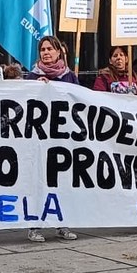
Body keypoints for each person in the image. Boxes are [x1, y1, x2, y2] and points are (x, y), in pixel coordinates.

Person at [25, 35, 80, 242]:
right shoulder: (31, 76)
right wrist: (35, 88)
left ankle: (62, 223)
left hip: (63, 139)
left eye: (50, 49)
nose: (46, 52)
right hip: (39, 140)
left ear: (59, 52)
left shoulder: (70, 77)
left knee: (62, 181)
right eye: (42, 49)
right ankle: (34, 225)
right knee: (38, 182)